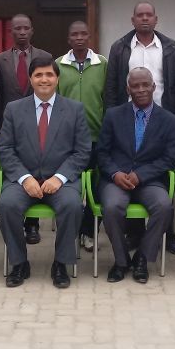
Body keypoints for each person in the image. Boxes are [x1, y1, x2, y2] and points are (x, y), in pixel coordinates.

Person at [0, 56, 92, 289]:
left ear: (57, 79)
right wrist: (25, 178)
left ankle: (61, 263)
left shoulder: (75, 110)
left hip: (61, 181)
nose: (44, 79)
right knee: (6, 205)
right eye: (38, 75)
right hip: (23, 181)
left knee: (71, 206)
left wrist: (59, 178)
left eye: (49, 74)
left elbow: (82, 151)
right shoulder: (14, 109)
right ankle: (19, 263)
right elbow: (5, 148)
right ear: (30, 79)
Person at [104, 1, 175, 255]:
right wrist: (114, 118)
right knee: (129, 175)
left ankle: (168, 235)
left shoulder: (170, 47)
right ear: (132, 20)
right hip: (127, 119)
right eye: (139, 15)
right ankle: (134, 234)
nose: (144, 19)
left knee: (161, 180)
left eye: (148, 15)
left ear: (156, 19)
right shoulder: (120, 47)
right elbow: (112, 87)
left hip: (162, 122)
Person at [96, 68, 175, 284]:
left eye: (145, 85)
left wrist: (140, 175)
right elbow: (102, 153)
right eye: (135, 86)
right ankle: (122, 261)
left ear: (154, 87)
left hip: (149, 181)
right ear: (128, 89)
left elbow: (170, 159)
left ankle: (143, 258)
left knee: (163, 206)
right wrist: (115, 173)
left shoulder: (169, 120)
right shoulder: (113, 115)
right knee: (112, 206)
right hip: (116, 179)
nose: (141, 90)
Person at [0, 13, 52, 246]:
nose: (21, 32)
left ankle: (33, 225)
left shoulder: (45, 57)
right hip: (12, 125)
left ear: (32, 30)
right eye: (17, 29)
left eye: (25, 28)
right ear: (11, 32)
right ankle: (17, 221)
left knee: (36, 168)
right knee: (19, 170)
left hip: (39, 121)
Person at [56, 20, 108, 251]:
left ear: (90, 37)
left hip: (97, 137)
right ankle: (71, 232)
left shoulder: (102, 64)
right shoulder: (58, 64)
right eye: (74, 34)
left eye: (83, 34)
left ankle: (89, 231)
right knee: (71, 188)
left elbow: (109, 98)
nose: (79, 38)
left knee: (96, 189)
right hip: (67, 141)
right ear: (68, 39)